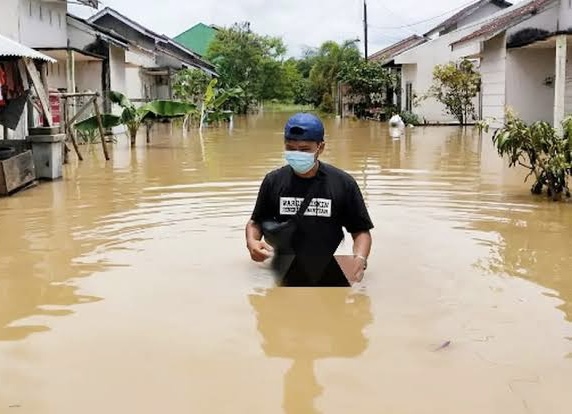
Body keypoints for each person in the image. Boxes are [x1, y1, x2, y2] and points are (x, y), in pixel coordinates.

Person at [245, 112, 374, 287]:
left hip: (326, 264)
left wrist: (360, 259)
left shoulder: (343, 183)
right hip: (283, 266)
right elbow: (255, 222)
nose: (297, 154)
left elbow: (361, 231)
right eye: (290, 148)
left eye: (305, 149)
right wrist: (252, 242)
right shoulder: (273, 181)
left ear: (320, 148)